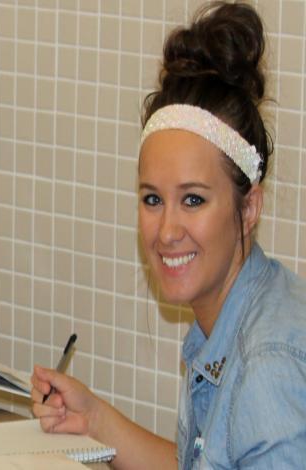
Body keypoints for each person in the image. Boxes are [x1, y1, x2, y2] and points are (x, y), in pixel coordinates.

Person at [30, 3, 306, 468]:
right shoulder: (243, 309)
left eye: (193, 199)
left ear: (249, 206)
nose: (167, 232)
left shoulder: (266, 367)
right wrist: (95, 419)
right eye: (152, 199)